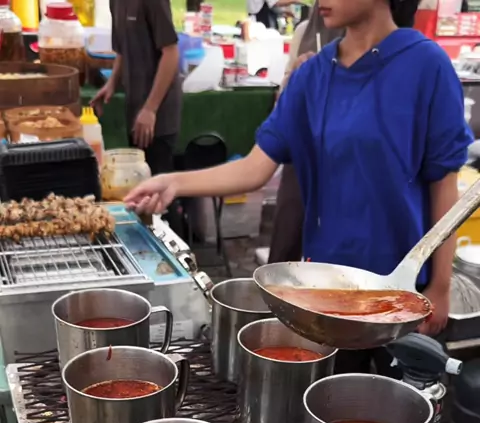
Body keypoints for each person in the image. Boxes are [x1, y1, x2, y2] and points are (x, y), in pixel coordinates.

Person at [125, 0, 473, 368]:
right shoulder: (313, 76)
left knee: (395, 398)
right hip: (327, 296)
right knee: (330, 396)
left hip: (402, 294)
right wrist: (173, 182)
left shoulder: (426, 65)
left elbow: (443, 186)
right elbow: (254, 168)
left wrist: (440, 285)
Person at [268, 7, 343, 264]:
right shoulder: (305, 32)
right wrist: (296, 78)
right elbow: (256, 167)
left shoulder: (406, 58)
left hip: (342, 165)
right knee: (287, 233)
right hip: (302, 153)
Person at [91, 0, 181, 177]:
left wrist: (150, 109)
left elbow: (171, 53)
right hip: (134, 107)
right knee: (137, 178)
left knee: (156, 181)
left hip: (158, 112)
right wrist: (112, 83)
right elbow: (122, 49)